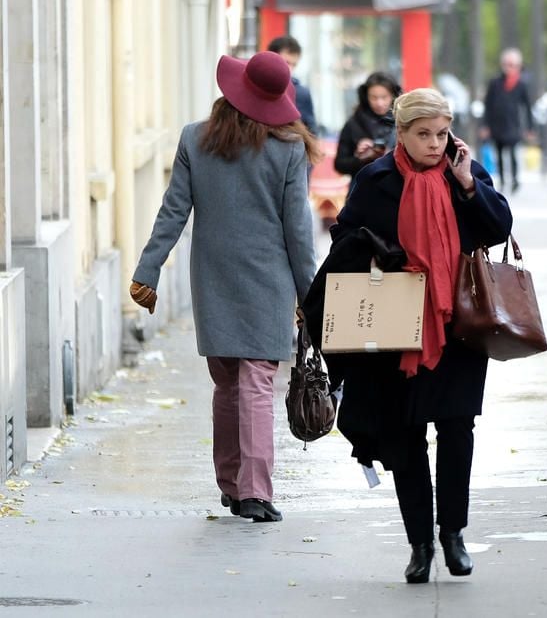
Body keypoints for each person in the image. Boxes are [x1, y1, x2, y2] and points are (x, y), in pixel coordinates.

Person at [304, 88, 512, 584]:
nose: (436, 144)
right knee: (404, 437)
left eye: (442, 134)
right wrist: (376, 253)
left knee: (458, 427)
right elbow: (346, 240)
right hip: (396, 324)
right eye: (424, 135)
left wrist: (468, 188)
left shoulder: (467, 171)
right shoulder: (376, 181)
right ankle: (420, 544)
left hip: (456, 323)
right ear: (401, 133)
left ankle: (454, 535)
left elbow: (499, 227)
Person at [129, 51, 321, 521]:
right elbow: (298, 232)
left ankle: (233, 485)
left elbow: (173, 211)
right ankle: (255, 492)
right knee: (256, 381)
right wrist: (310, 297)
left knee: (228, 383)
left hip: (212, 277)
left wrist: (147, 271)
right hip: (268, 279)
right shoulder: (289, 150)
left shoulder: (195, 140)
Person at [482, 48, 534, 192]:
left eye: (512, 64)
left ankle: (515, 180)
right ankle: (503, 181)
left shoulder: (522, 84)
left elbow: (527, 107)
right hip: (496, 125)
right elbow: (488, 105)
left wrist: (530, 128)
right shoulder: (494, 83)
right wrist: (485, 125)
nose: (509, 68)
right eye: (507, 64)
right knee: (498, 155)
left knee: (513, 155)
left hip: (513, 125)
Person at [334, 71, 401, 176]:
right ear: (366, 96)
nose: (379, 103)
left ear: (393, 96)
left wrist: (391, 154)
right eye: (374, 97)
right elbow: (339, 165)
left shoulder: (402, 122)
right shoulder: (353, 123)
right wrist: (360, 158)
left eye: (384, 97)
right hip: (363, 186)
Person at [267, 35, 319, 136]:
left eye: (294, 64)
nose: (289, 69)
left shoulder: (301, 93)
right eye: (286, 62)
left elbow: (312, 132)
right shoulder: (255, 86)